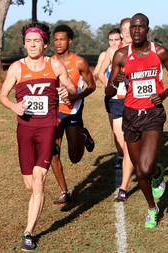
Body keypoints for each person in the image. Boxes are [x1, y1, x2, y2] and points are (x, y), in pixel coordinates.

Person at [0, 22, 77, 251]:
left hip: (47, 129)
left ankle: (28, 232)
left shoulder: (55, 65)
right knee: (29, 184)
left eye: (37, 41)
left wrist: (66, 91)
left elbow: (72, 89)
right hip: (24, 131)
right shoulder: (16, 68)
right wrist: (13, 107)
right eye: (28, 41)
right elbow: (3, 96)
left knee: (38, 180)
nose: (32, 45)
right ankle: (34, 209)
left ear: (44, 43)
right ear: (24, 44)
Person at [106, 13, 168, 227]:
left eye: (141, 27)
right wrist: (116, 81)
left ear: (147, 29)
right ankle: (152, 207)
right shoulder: (121, 55)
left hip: (153, 113)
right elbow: (109, 92)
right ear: (128, 31)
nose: (136, 31)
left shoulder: (160, 52)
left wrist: (165, 94)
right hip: (130, 115)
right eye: (133, 27)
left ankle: (156, 172)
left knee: (146, 168)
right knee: (139, 170)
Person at [50, 25, 96, 206]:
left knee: (75, 158)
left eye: (62, 39)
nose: (58, 43)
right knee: (53, 152)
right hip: (54, 112)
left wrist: (77, 96)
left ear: (69, 41)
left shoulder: (79, 62)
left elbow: (92, 86)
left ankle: (83, 135)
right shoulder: (49, 62)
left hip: (73, 111)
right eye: (55, 39)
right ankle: (65, 191)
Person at [98, 18, 134, 202]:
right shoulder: (113, 51)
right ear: (121, 33)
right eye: (125, 30)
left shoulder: (142, 50)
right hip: (117, 99)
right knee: (122, 140)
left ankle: (123, 187)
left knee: (130, 144)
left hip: (137, 102)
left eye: (131, 29)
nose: (128, 32)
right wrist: (109, 85)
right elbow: (100, 72)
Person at [92, 28, 122, 170]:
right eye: (111, 40)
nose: (114, 42)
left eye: (116, 39)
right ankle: (121, 156)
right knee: (116, 131)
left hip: (125, 96)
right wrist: (105, 82)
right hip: (111, 96)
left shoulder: (125, 52)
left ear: (121, 39)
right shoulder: (105, 54)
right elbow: (97, 72)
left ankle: (126, 156)